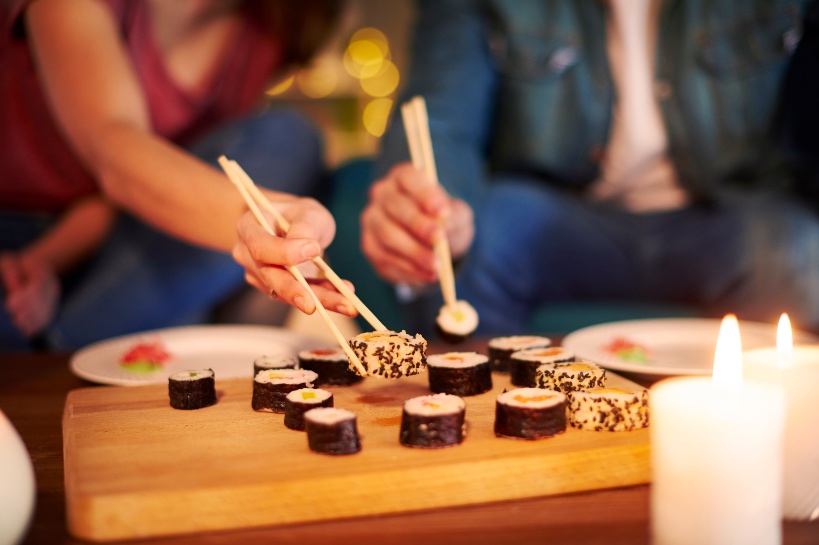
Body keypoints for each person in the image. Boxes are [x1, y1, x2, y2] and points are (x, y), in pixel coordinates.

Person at [361, 0, 819, 338]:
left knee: (795, 251)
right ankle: (480, 444)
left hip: (732, 216)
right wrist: (428, 213)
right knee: (472, 246)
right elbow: (440, 116)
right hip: (560, 220)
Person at [0, 0, 356, 351]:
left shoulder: (262, 30)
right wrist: (41, 262)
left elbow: (124, 191)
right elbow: (114, 156)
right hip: (16, 230)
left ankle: (64, 345)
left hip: (117, 236)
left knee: (289, 139)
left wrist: (279, 222)